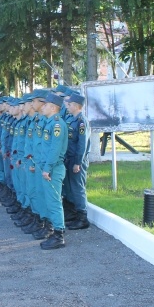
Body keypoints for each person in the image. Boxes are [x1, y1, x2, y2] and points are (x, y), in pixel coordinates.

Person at [33, 92, 68, 250]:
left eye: (46, 105)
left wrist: (47, 168)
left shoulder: (57, 125)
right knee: (48, 200)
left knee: (54, 202)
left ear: (53, 108)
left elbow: (54, 150)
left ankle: (59, 235)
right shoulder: (49, 123)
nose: (43, 107)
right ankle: (51, 229)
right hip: (46, 167)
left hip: (53, 169)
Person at [63, 93, 91, 230]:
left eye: (69, 104)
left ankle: (82, 218)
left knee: (78, 188)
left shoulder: (81, 121)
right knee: (69, 187)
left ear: (75, 105)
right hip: (69, 158)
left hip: (76, 159)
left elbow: (82, 144)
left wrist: (78, 162)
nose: (67, 106)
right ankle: (73, 214)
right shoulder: (71, 119)